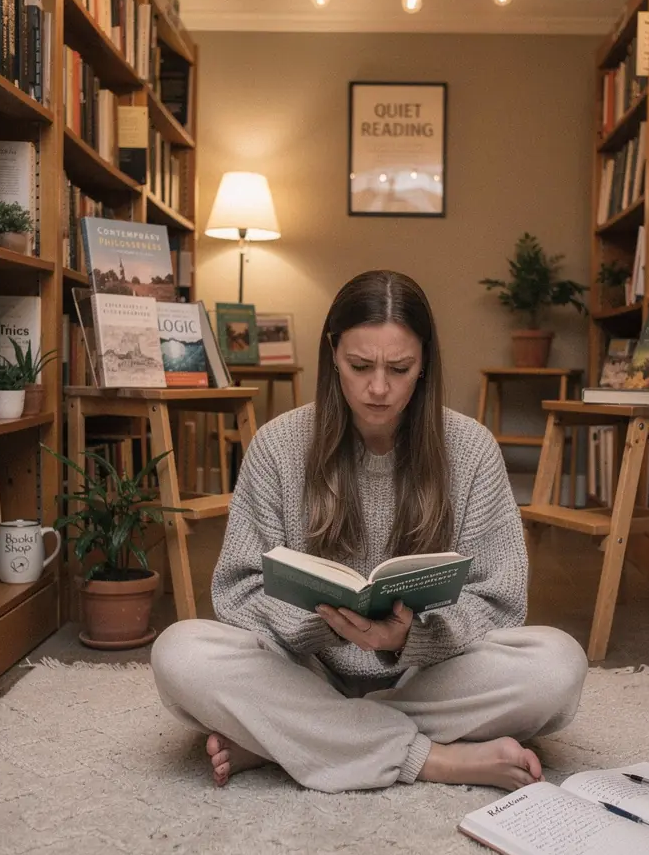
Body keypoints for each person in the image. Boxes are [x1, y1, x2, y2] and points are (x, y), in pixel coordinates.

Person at [152, 270, 588, 794]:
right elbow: (237, 592)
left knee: (557, 667)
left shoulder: (471, 449)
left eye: (399, 369)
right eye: (359, 366)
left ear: (424, 363)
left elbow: (499, 601)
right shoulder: (277, 445)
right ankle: (433, 759)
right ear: (333, 354)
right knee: (180, 652)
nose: (378, 388)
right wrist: (328, 626)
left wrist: (409, 637)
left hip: (427, 679)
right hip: (303, 670)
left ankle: (286, 737)